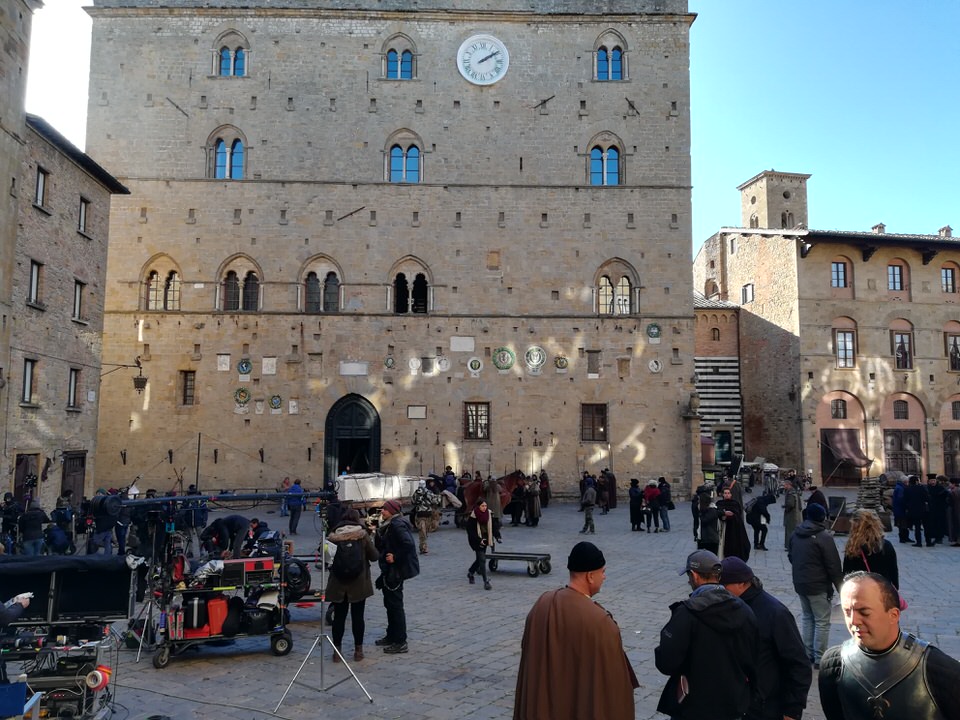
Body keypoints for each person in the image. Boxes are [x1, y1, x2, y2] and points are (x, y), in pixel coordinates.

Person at [513, 541, 638, 719]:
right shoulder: (600, 622)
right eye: (602, 572)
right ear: (590, 576)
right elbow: (613, 688)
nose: (604, 577)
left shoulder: (542, 604)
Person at [819, 571, 960, 720]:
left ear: (894, 615)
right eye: (847, 612)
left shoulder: (938, 670)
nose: (853, 621)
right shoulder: (833, 664)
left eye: (864, 612)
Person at [655, 550, 758, 720]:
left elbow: (667, 663)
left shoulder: (687, 613)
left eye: (689, 576)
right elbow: (752, 658)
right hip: (731, 704)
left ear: (695, 576)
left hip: (694, 706)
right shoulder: (746, 611)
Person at [721, 557, 812, 720]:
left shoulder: (775, 613)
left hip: (764, 706)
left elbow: (798, 663)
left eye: (724, 586)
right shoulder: (728, 606)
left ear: (741, 584)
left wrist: (793, 710)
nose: (720, 590)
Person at [788, 502, 843, 667]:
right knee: (822, 621)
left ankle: (808, 654)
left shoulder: (796, 533)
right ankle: (819, 658)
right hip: (818, 584)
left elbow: (791, 556)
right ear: (822, 517)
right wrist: (840, 587)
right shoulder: (824, 537)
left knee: (807, 617)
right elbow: (833, 564)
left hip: (800, 582)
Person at [326, 508, 378, 662]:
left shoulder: (332, 536)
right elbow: (374, 556)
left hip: (338, 583)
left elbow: (325, 558)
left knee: (339, 618)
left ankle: (337, 653)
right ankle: (358, 651)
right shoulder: (362, 535)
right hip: (359, 583)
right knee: (358, 617)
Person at [374, 499, 418, 654]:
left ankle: (400, 641)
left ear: (392, 511)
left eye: (385, 509)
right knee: (389, 604)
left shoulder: (397, 525)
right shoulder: (389, 524)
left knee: (395, 605)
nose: (382, 511)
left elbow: (408, 544)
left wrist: (395, 557)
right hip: (389, 570)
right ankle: (391, 635)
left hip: (396, 571)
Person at [841, 509, 899, 588]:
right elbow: (893, 572)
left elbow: (847, 574)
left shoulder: (853, 547)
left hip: (860, 590)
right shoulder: (886, 545)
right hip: (882, 589)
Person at [466, 498, 494, 590]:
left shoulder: (489, 513)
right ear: (478, 506)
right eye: (482, 506)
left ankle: (471, 572)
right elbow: (470, 530)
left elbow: (493, 525)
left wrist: (497, 536)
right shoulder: (473, 515)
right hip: (476, 540)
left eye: (485, 506)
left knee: (479, 559)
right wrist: (479, 540)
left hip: (485, 538)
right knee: (482, 559)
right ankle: (486, 581)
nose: (484, 508)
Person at [717, 486, 750, 561]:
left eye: (728, 493)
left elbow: (737, 513)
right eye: (725, 493)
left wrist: (729, 515)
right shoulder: (719, 503)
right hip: (722, 528)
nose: (727, 495)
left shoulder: (735, 504)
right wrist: (724, 513)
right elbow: (717, 512)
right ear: (723, 494)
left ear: (731, 494)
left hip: (733, 528)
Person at [411, 480, 441, 555]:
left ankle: (423, 547)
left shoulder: (416, 493)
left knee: (423, 532)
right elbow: (436, 501)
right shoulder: (429, 492)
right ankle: (423, 548)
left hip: (421, 514)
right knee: (423, 532)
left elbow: (413, 502)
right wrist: (438, 496)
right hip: (427, 514)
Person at [782, 477, 804, 550]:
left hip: (792, 515)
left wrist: (785, 507)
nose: (784, 486)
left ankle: (790, 546)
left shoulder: (791, 493)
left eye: (784, 485)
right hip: (796, 514)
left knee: (790, 530)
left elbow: (791, 504)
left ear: (788, 485)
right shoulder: (794, 492)